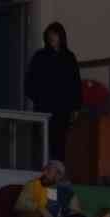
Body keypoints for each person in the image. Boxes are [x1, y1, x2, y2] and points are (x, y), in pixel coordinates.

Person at [24, 21, 81, 162]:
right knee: (40, 146)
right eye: (49, 35)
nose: (52, 38)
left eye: (55, 35)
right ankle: (40, 172)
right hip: (43, 108)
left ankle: (57, 172)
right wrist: (39, 98)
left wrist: (75, 107)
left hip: (62, 111)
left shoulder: (69, 57)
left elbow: (75, 84)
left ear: (61, 36)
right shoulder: (40, 56)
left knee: (59, 147)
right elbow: (29, 82)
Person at [14, 160, 80, 217]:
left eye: (48, 171)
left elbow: (74, 211)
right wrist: (40, 209)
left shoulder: (60, 190)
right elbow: (20, 204)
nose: (44, 173)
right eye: (45, 170)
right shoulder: (32, 185)